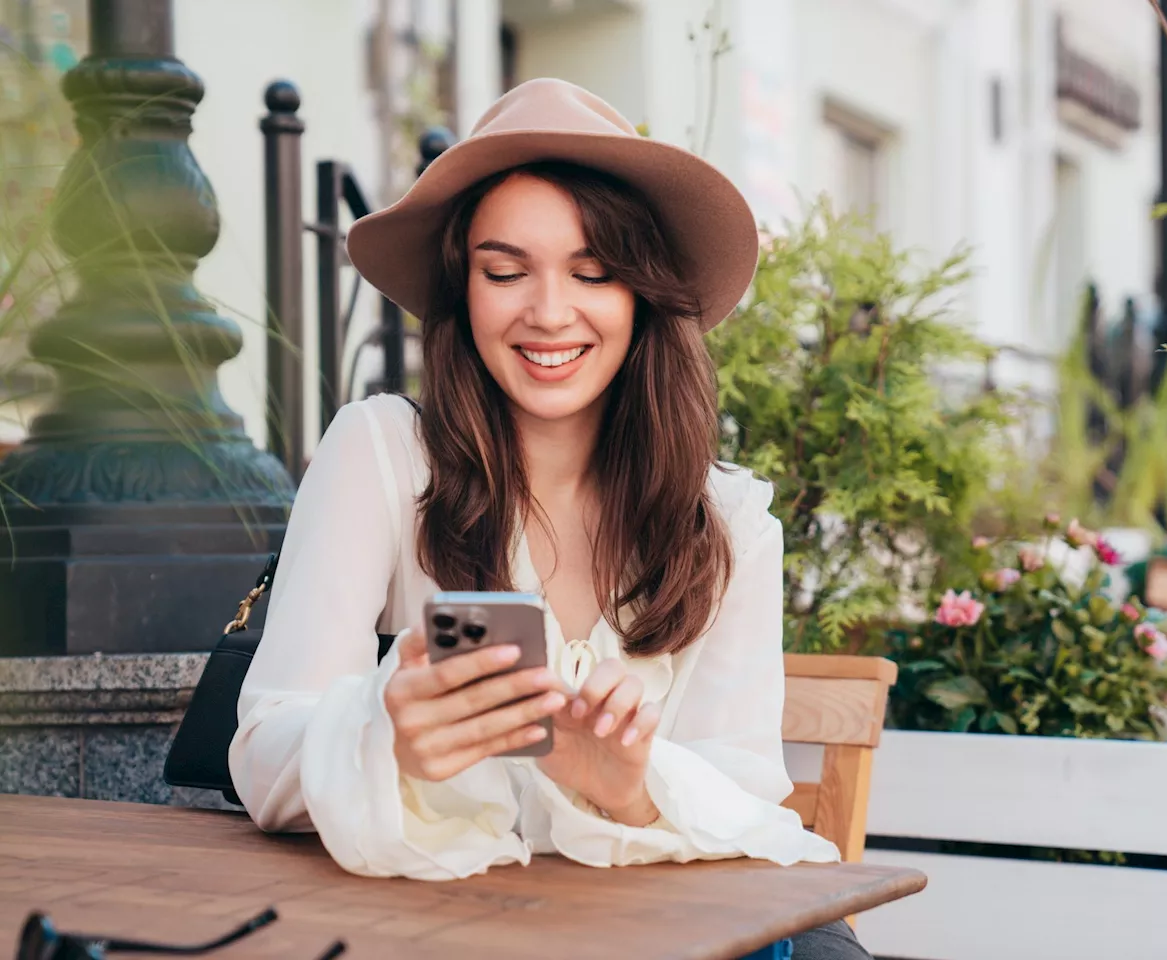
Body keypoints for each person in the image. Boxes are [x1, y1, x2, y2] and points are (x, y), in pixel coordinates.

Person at [229, 78, 871, 960]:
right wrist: (390, 736)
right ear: (464, 291)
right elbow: (265, 751)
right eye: (505, 272)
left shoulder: (730, 523)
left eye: (593, 272)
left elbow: (746, 803)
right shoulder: (382, 452)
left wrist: (629, 788)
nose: (549, 312)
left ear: (643, 295)